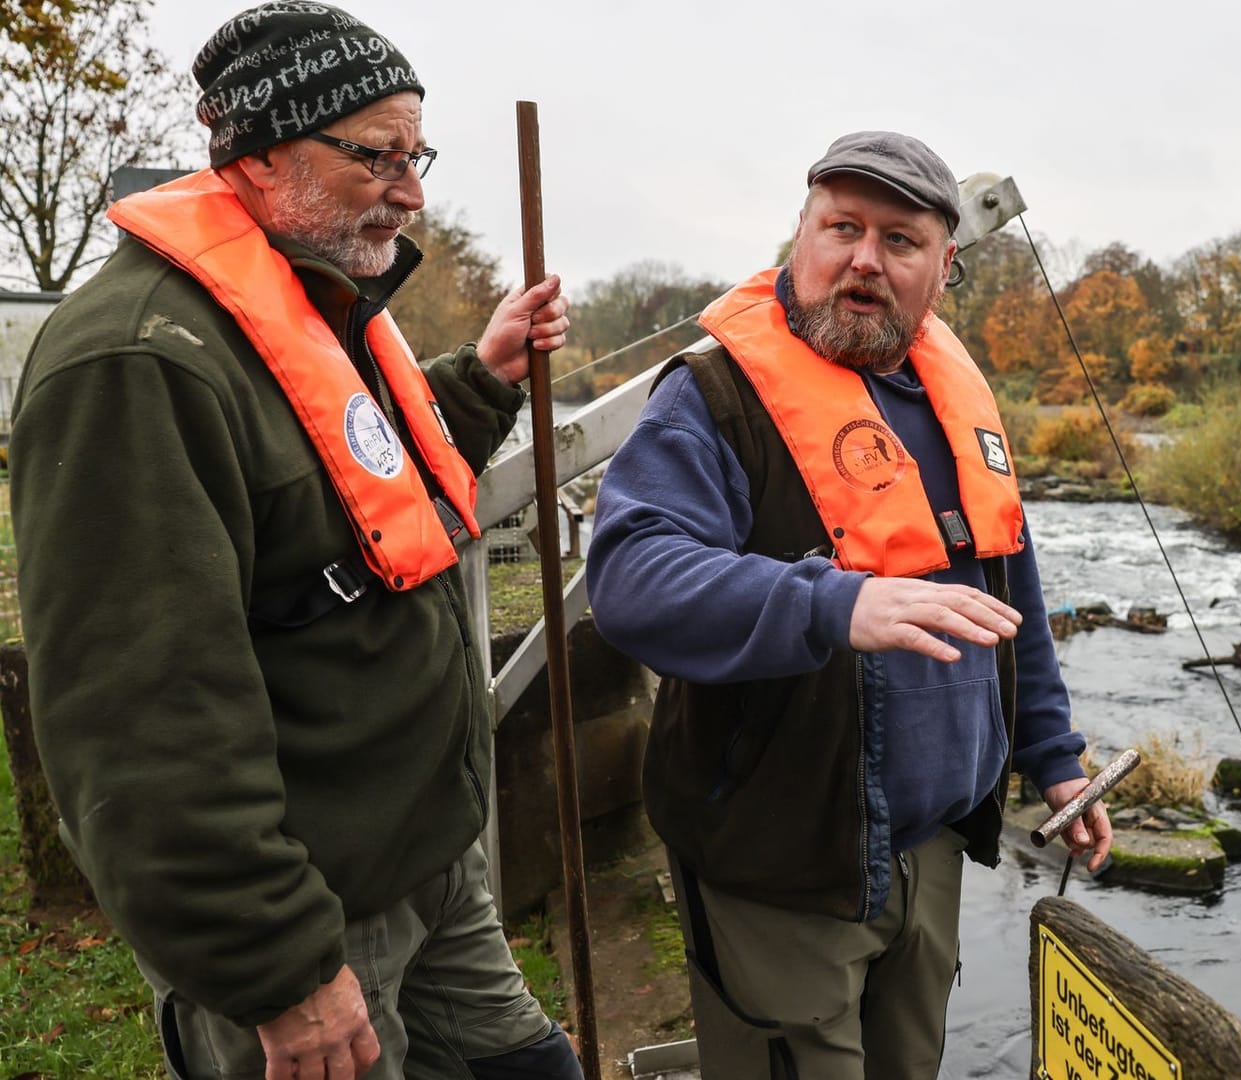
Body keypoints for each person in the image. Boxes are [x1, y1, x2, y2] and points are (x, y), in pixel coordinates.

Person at [10, 5, 583, 1079]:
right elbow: (142, 721)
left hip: (424, 860)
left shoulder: (310, 304)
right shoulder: (139, 363)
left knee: (530, 1068)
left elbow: (360, 493)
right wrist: (277, 966)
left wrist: (486, 376)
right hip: (315, 913)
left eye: (418, 156)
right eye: (377, 157)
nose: (411, 194)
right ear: (262, 157)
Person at [586, 131, 1114, 1078]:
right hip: (778, 860)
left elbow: (1011, 601)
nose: (865, 260)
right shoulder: (712, 397)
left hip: (932, 851)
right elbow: (631, 580)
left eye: (901, 240)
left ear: (944, 267)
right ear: (800, 234)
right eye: (842, 228)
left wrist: (1055, 759)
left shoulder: (960, 401)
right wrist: (831, 602)